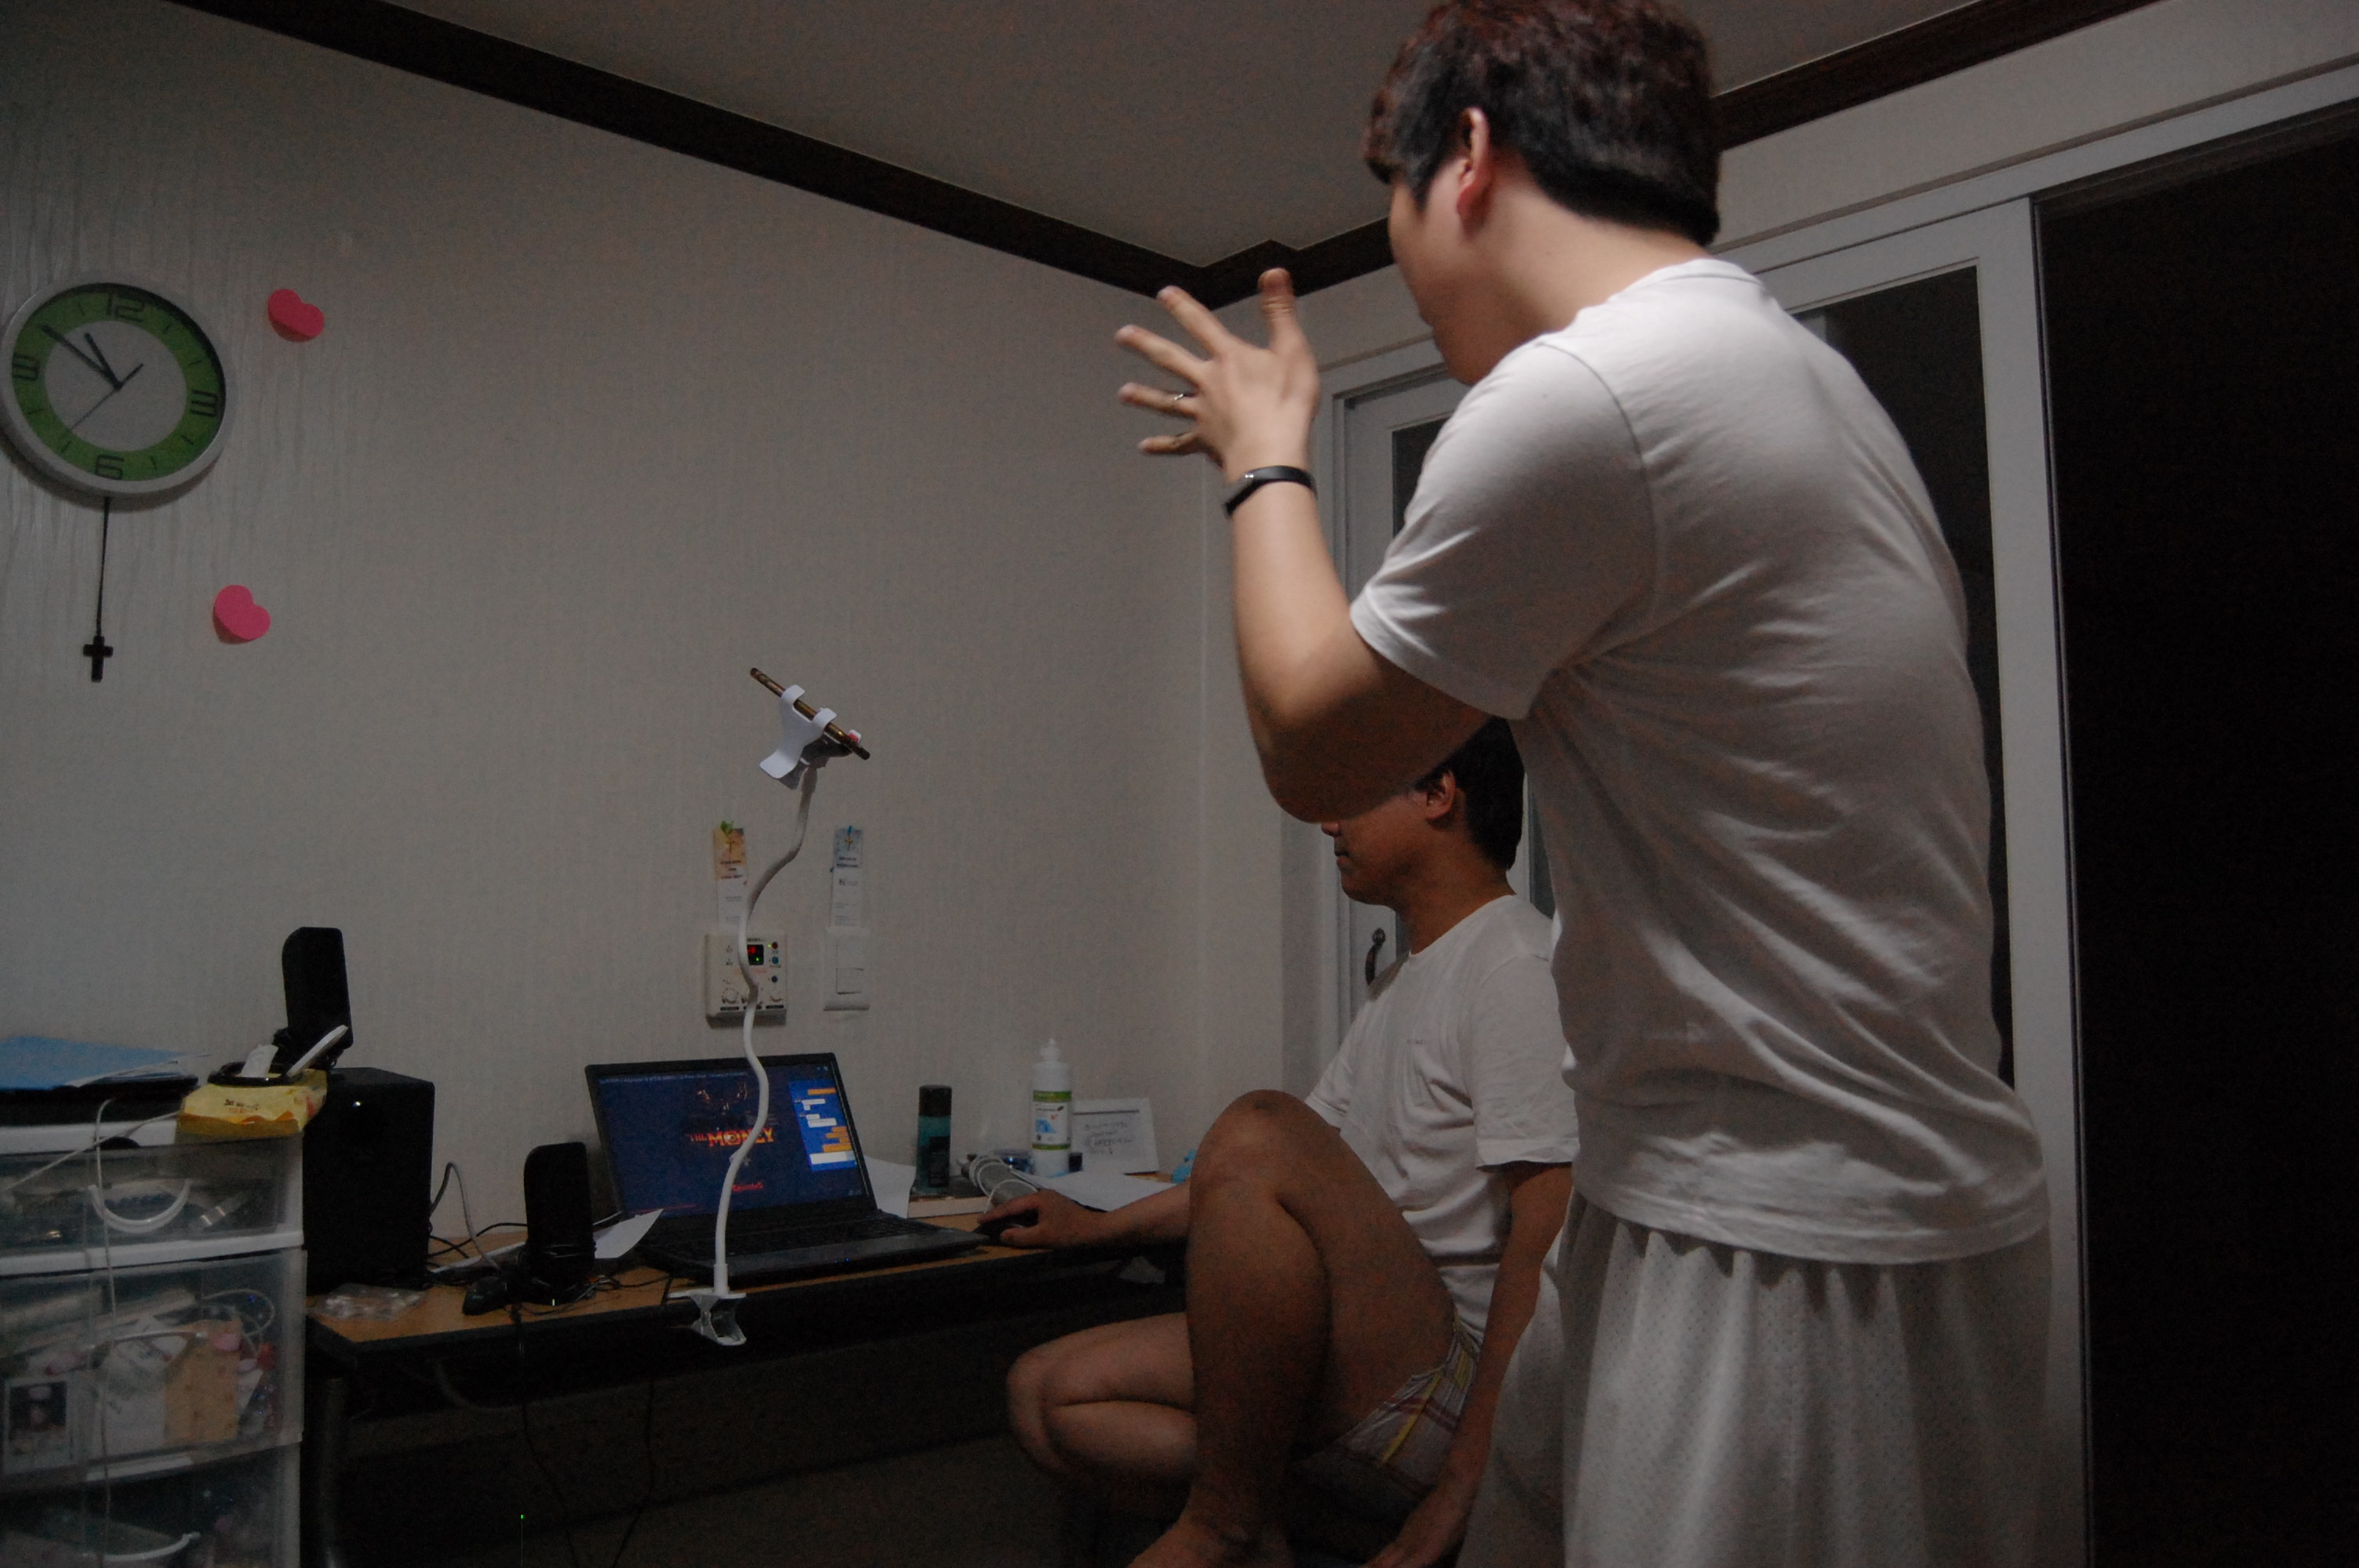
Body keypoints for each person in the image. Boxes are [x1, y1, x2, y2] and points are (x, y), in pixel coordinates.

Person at [1109, 3, 2052, 1566]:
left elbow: (1314, 750)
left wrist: (1265, 458)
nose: (1402, 266)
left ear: (1467, 158)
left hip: (1776, 1238)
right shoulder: (1801, 381)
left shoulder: (1597, 393)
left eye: (1393, 206)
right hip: (1851, 1203)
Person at [993, 719, 1578, 1568]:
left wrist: (1467, 1484)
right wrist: (1092, 1228)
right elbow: (1250, 1175)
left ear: (1437, 793)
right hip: (1370, 1350)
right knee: (1047, 1395)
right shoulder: (1401, 983)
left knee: (1258, 1125)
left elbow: (1548, 1232)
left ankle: (1222, 1524)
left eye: (1350, 794)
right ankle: (1296, 1532)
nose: (1329, 822)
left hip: (1447, 1382)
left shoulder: (1514, 965)